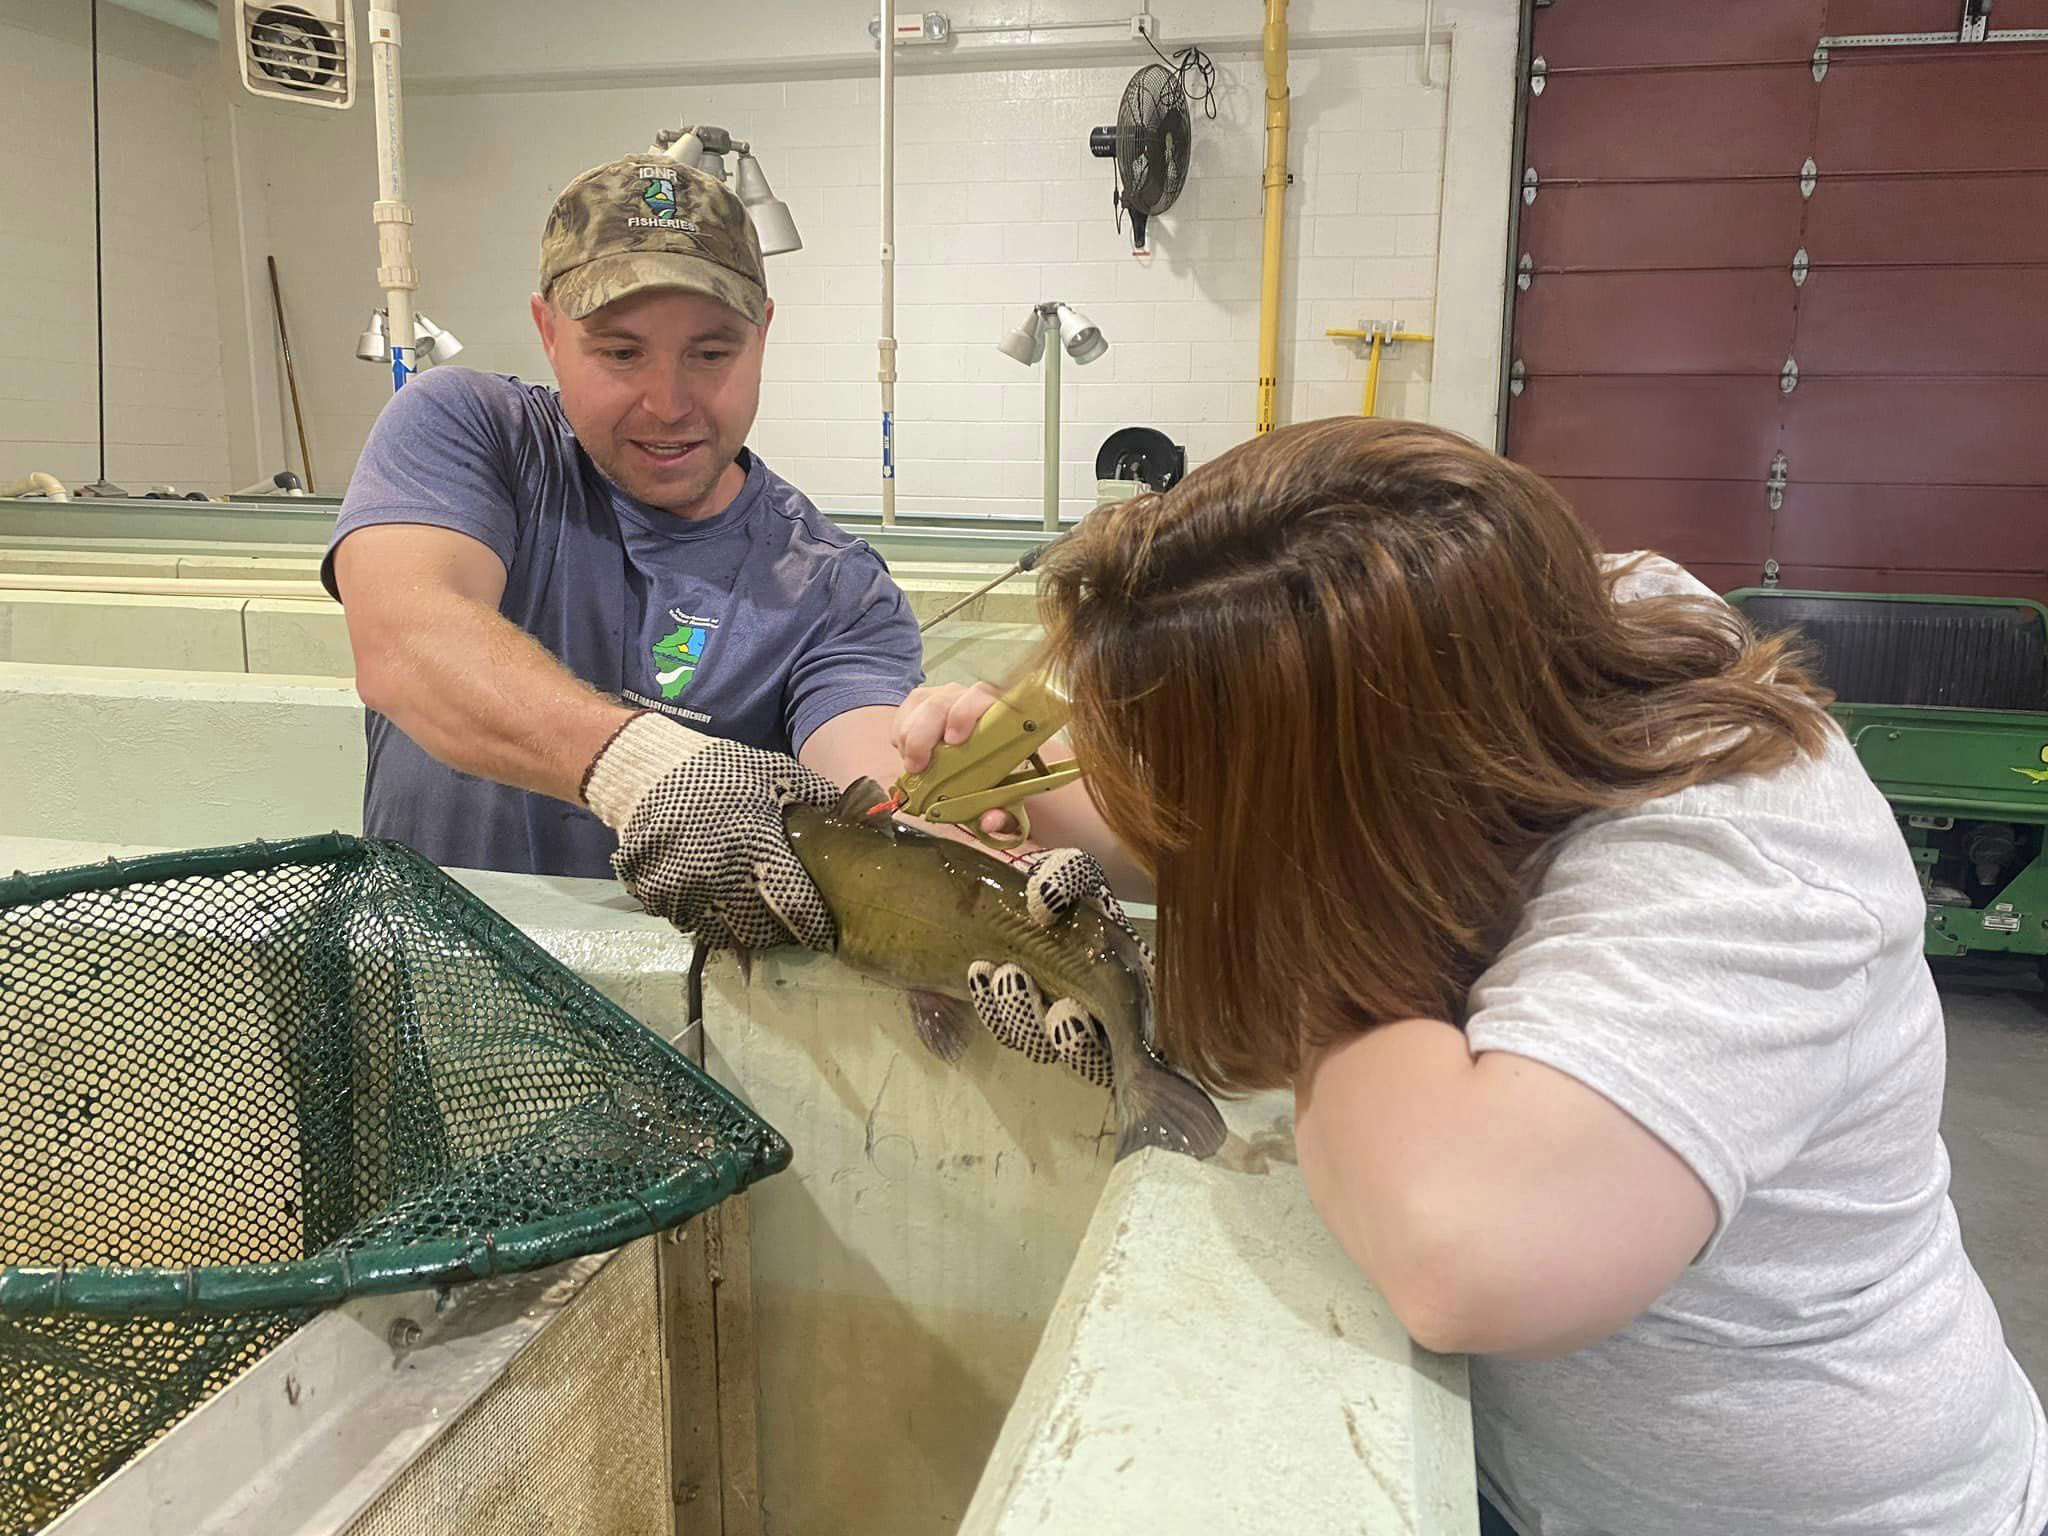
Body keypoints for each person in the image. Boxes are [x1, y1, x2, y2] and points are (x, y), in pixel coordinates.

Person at [890, 417, 2048, 1534]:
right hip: (1533, 1478)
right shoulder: (1547, 634)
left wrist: (1257, 877)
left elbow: (1463, 1260)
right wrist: (1047, 794)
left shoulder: (1734, 867)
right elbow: (1315, 811)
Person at [324, 153, 921, 950]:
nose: (668, 405)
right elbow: (409, 644)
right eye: (620, 353)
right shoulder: (472, 433)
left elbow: (878, 788)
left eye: (711, 354)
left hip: (667, 1023)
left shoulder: (832, 590)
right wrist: (644, 767)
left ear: (763, 336)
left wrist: (976, 864)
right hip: (426, 989)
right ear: (549, 332)